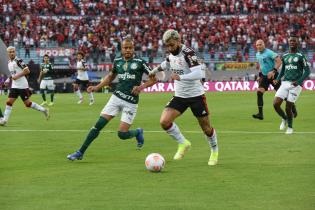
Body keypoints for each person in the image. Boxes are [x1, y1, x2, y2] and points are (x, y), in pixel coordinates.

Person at [67, 38, 157, 161]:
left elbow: (153, 79)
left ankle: (138, 132)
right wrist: (97, 87)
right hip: (116, 98)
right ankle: (80, 152)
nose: (128, 50)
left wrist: (141, 87)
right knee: (98, 125)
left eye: (130, 48)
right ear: (121, 49)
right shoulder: (117, 61)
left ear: (133, 48)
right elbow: (110, 77)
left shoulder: (140, 62)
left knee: (122, 134)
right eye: (125, 48)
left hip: (131, 102)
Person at [150, 29, 219, 166]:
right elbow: (167, 63)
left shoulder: (189, 53)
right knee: (164, 122)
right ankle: (183, 143)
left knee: (206, 128)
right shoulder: (171, 54)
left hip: (196, 96)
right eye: (167, 46)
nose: (169, 48)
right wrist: (154, 71)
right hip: (180, 96)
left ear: (178, 41)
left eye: (172, 45)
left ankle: (214, 150)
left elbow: (199, 73)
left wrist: (180, 77)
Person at [0, 46, 49, 126]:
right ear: (7, 53)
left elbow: (27, 70)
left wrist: (17, 76)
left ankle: (44, 110)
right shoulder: (9, 62)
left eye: (13, 51)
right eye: (10, 52)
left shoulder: (18, 60)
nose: (12, 53)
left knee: (28, 104)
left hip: (22, 85)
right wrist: (8, 79)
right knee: (9, 102)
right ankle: (4, 121)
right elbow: (13, 73)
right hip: (14, 86)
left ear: (15, 52)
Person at [273, 34, 310, 134]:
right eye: (290, 41)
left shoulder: (301, 56)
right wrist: (277, 78)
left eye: (294, 41)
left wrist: (298, 82)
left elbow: (307, 71)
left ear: (297, 43)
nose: (292, 43)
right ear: (288, 43)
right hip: (285, 83)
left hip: (296, 86)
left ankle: (290, 127)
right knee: (275, 104)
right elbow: (283, 69)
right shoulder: (285, 56)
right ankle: (284, 118)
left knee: (288, 107)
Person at [253, 39, 288, 120]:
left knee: (281, 94)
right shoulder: (257, 54)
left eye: (260, 44)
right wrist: (259, 75)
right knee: (259, 92)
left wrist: (273, 71)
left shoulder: (269, 52)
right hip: (264, 76)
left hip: (273, 76)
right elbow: (261, 65)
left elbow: (279, 61)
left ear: (264, 45)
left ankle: (292, 107)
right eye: (257, 45)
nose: (258, 46)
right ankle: (260, 114)